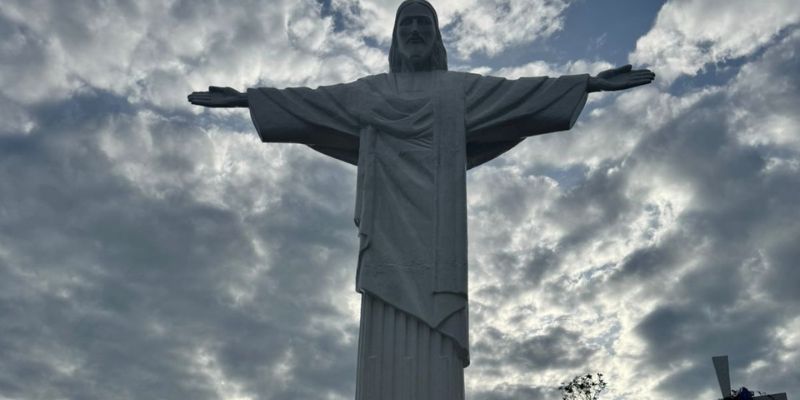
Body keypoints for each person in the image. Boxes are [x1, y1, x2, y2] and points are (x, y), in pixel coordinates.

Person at [188, 1, 654, 398]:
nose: (413, 30)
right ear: (394, 37)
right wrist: (248, 101)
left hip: (438, 236)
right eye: (405, 23)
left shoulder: (457, 90)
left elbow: (519, 96)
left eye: (422, 24)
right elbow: (312, 103)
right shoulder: (369, 91)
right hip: (386, 230)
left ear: (435, 38)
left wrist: (588, 84)